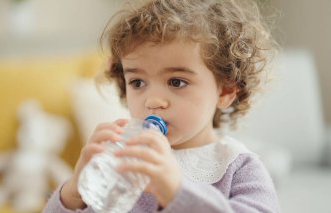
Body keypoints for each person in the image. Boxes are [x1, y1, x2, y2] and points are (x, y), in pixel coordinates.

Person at [43, 0, 280, 212]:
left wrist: (177, 191)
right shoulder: (126, 158)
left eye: (177, 82)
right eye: (137, 82)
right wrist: (73, 193)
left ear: (225, 91)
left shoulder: (238, 166)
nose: (152, 100)